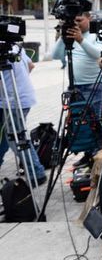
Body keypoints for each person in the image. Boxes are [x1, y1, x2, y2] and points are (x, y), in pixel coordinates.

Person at [52, 12, 102, 166]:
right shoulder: (70, 36)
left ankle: (95, 157)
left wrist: (81, 40)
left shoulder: (95, 34)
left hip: (93, 85)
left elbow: (99, 54)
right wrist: (63, 37)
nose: (76, 24)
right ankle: (88, 155)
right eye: (73, 20)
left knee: (93, 122)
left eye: (79, 20)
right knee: (78, 122)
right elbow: (56, 55)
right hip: (75, 86)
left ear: (89, 18)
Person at [0, 45, 47, 185]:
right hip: (19, 97)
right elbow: (30, 65)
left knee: (16, 138)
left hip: (13, 101)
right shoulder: (13, 45)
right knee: (8, 136)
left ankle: (37, 173)